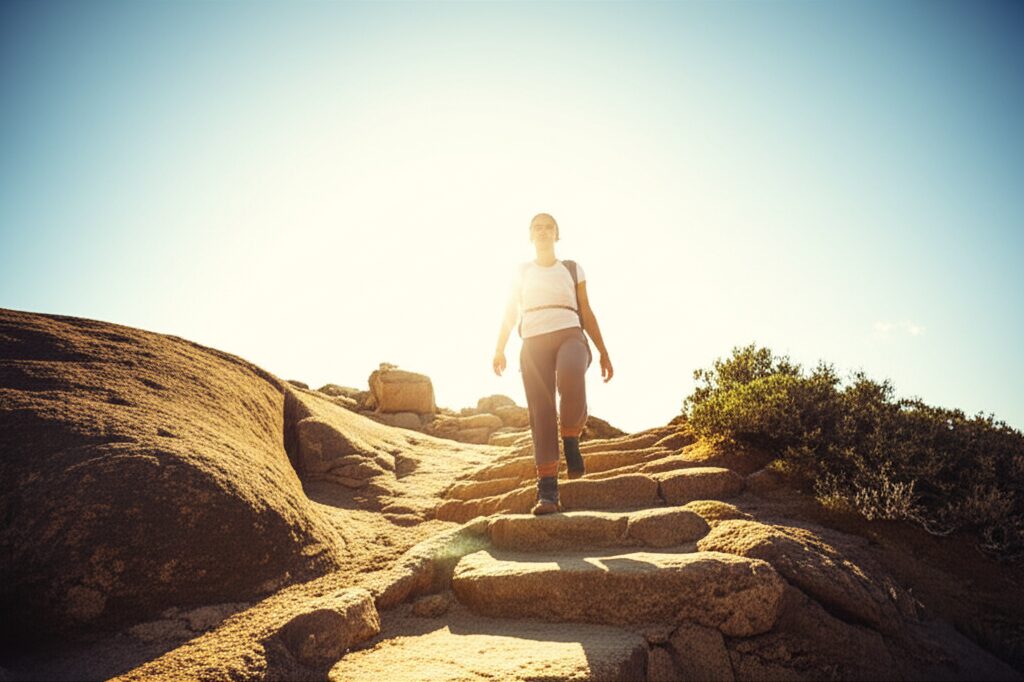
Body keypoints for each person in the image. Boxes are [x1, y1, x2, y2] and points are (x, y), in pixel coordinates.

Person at [492, 213, 614, 515]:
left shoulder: (572, 269)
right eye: (537, 227)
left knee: (572, 371)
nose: (543, 231)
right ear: (530, 235)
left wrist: (603, 351)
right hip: (532, 341)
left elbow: (586, 311)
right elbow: (509, 312)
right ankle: (548, 490)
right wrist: (500, 348)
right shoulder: (520, 272)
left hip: (570, 333)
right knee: (541, 411)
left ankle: (571, 436)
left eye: (549, 227)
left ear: (556, 234)